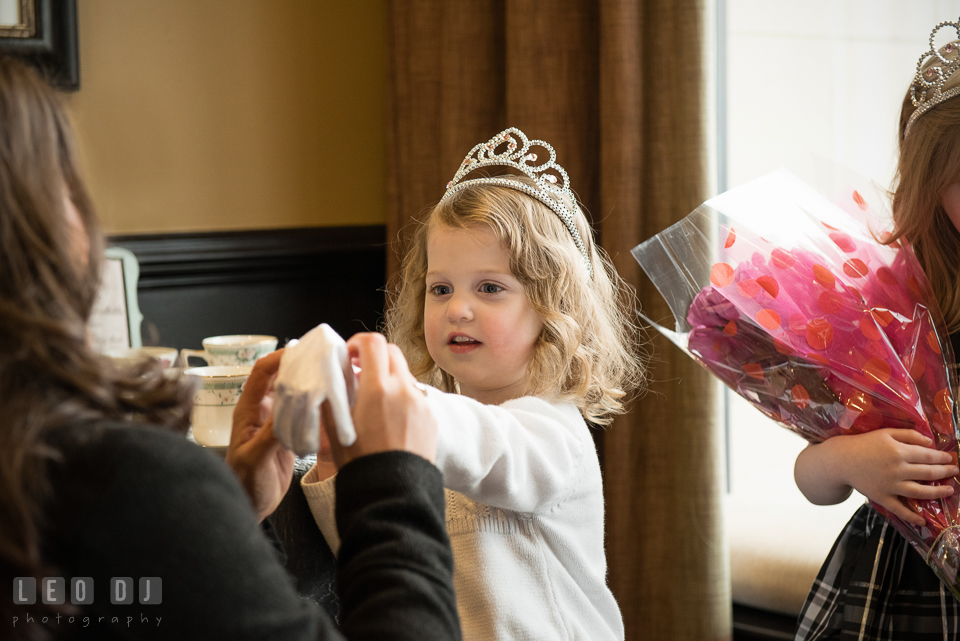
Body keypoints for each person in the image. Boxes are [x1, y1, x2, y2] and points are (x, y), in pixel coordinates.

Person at [0, 55, 460, 640]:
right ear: (34, 225)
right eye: (64, 182)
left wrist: (227, 519)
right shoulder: (122, 484)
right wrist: (395, 483)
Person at [302, 128, 645, 640]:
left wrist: (397, 402)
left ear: (553, 310)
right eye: (440, 288)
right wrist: (336, 459)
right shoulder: (443, 422)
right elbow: (373, 544)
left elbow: (489, 449)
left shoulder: (552, 434)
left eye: (490, 288)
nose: (456, 309)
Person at [793, 22, 960, 641]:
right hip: (895, 586)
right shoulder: (889, 306)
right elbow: (812, 478)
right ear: (929, 182)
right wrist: (848, 459)